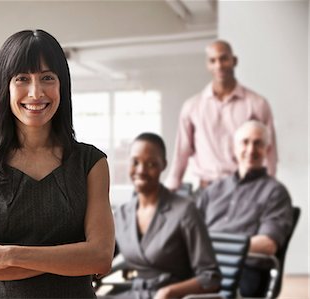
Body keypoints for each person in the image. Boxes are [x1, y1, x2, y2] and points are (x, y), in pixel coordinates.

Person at [0, 29, 115, 298]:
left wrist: (5, 255)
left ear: (62, 85)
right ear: (4, 86)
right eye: (22, 79)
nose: (36, 92)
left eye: (47, 78)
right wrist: (72, 258)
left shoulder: (91, 163)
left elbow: (100, 258)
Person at [110, 133, 221, 299]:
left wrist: (170, 292)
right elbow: (102, 258)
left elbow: (211, 278)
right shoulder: (123, 214)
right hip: (135, 294)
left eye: (151, 164)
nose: (141, 170)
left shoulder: (185, 211)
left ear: (163, 165)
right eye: (135, 162)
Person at [196, 120, 293, 297]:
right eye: (245, 142)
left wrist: (210, 246)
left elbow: (267, 245)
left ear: (267, 150)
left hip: (244, 272)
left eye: (258, 143)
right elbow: (190, 233)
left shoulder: (275, 192)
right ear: (234, 147)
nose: (250, 149)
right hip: (203, 269)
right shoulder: (212, 190)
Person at [165, 40, 278, 192]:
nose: (219, 65)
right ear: (208, 65)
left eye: (224, 58)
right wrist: (170, 188)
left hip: (246, 188)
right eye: (213, 60)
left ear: (234, 61)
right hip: (206, 191)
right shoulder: (192, 107)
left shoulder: (257, 104)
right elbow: (182, 151)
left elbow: (269, 150)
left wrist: (269, 188)